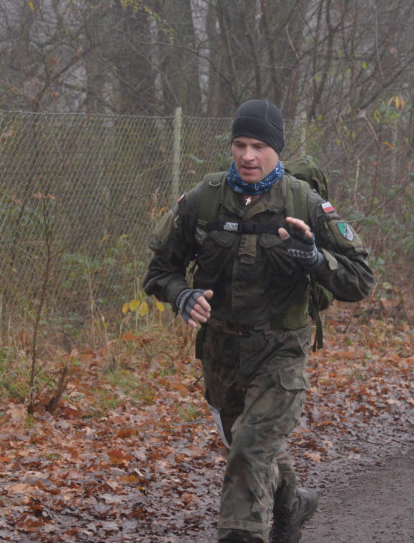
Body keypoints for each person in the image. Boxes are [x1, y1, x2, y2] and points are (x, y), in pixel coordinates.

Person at [144, 99, 375, 543]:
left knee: (249, 451)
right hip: (221, 353)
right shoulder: (203, 201)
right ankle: (294, 503)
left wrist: (314, 258)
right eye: (240, 144)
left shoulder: (304, 203)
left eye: (260, 146)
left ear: (277, 150)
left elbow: (361, 280)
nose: (248, 156)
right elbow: (158, 273)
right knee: (251, 445)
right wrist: (182, 294)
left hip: (281, 350)